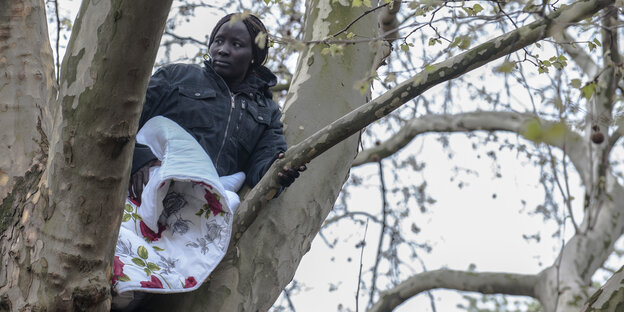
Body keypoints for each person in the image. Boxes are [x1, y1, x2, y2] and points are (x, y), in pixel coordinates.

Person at [128, 13, 305, 201]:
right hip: (143, 191)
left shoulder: (267, 111)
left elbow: (262, 166)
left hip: (204, 208)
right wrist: (139, 159)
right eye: (218, 41)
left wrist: (279, 172)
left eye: (236, 44)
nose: (222, 50)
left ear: (254, 55)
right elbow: (125, 118)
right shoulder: (175, 77)